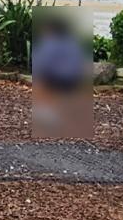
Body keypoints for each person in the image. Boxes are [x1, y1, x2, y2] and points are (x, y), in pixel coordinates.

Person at [29, 8, 94, 138]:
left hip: (58, 80)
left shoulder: (50, 42)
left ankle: (49, 116)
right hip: (75, 79)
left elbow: (42, 62)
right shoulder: (73, 42)